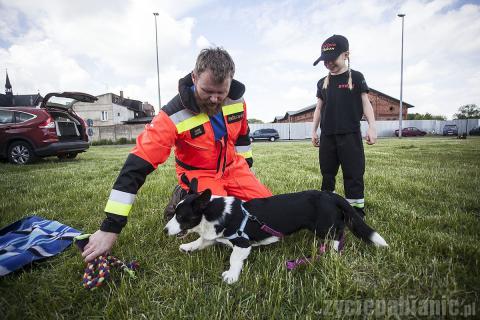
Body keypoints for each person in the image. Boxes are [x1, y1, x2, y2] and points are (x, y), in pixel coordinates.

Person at [82, 47, 272, 262]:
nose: (214, 99)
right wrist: (110, 227)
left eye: (221, 92)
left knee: (267, 214)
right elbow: (137, 165)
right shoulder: (172, 114)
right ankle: (184, 195)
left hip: (233, 167)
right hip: (199, 173)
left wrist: (247, 171)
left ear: (231, 81)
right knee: (217, 222)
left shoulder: (238, 101)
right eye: (207, 90)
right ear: (194, 77)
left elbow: (243, 137)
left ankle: (214, 193)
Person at [311, 34, 377, 219]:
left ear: (346, 55)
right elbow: (318, 108)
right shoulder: (322, 83)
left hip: (350, 135)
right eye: (324, 61)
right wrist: (314, 131)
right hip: (328, 137)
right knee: (327, 174)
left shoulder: (356, 77)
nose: (328, 63)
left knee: (353, 174)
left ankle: (355, 213)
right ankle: (327, 209)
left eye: (332, 59)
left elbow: (366, 103)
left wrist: (372, 127)